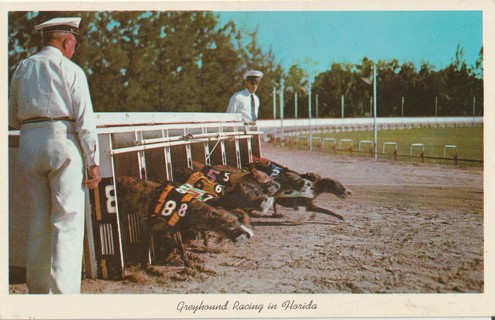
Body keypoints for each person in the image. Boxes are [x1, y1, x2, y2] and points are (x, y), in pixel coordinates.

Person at [8, 17, 101, 294]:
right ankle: (64, 296)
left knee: (38, 218)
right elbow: (86, 121)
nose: (75, 48)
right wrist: (93, 162)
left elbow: (11, 116)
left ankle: (38, 289)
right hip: (63, 139)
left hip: (30, 140)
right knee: (67, 220)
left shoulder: (22, 68)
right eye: (75, 43)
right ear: (67, 41)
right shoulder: (70, 70)